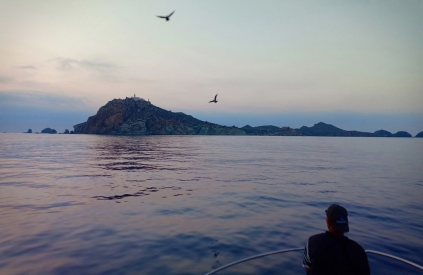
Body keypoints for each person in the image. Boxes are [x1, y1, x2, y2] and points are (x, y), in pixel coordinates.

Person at [302, 204, 370, 275]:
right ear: (346, 223)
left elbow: (308, 269)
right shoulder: (359, 250)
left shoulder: (312, 242)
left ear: (328, 222)